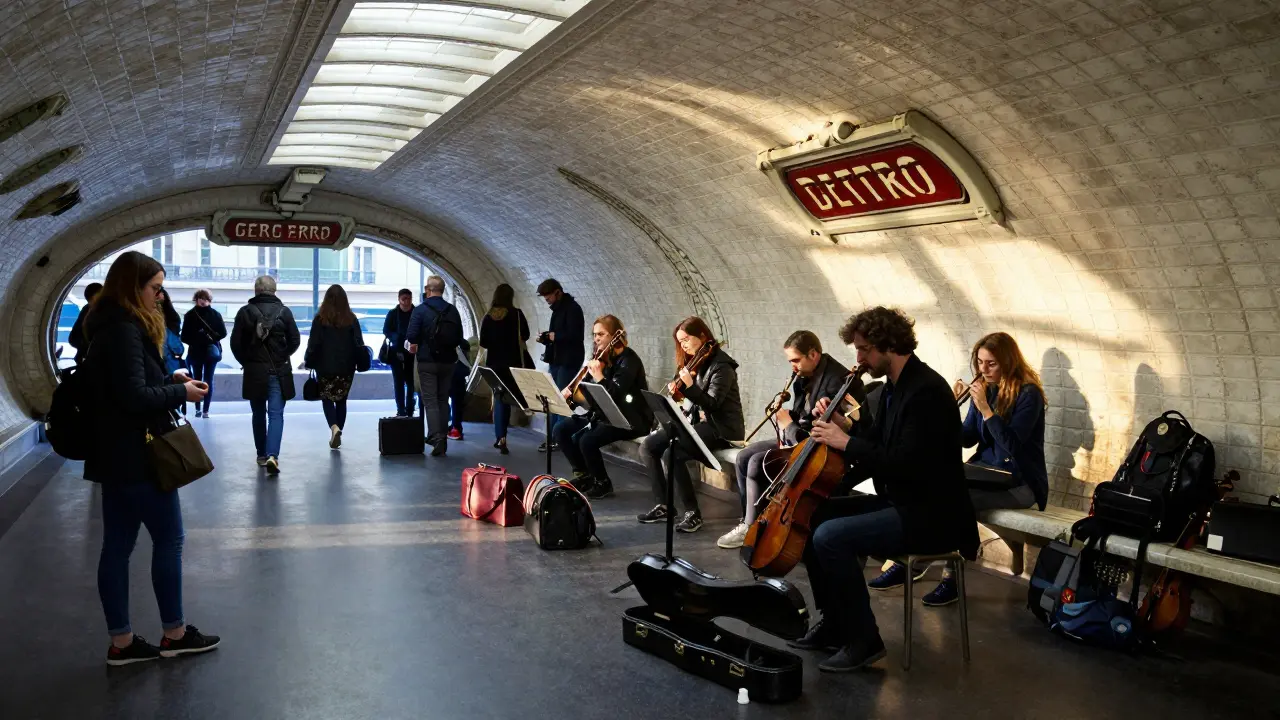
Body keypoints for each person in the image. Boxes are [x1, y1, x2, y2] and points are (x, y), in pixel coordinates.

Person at [789, 306, 977, 672]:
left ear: (888, 345)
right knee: (812, 515)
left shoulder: (926, 392)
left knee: (831, 537)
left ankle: (864, 640)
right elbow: (880, 443)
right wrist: (847, 425)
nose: (858, 359)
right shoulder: (895, 386)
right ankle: (835, 623)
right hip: (902, 502)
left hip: (931, 515)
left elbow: (904, 462)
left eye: (863, 349)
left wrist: (844, 442)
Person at [81, 250, 219, 666]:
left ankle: (121, 643)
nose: (160, 297)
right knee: (169, 540)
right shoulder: (125, 330)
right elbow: (133, 397)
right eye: (155, 288)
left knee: (117, 548)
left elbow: (129, 383)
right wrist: (182, 392)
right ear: (132, 287)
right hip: (139, 455)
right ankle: (174, 634)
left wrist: (169, 375)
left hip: (114, 454)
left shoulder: (107, 326)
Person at [870, 331, 1048, 606]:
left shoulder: (1029, 394)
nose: (983, 370)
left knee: (954, 500)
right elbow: (967, 438)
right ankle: (913, 560)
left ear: (1009, 363)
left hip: (1020, 483)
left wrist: (987, 411)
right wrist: (950, 411)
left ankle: (945, 576)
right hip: (985, 476)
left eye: (991, 364)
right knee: (932, 486)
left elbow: (1013, 446)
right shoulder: (985, 388)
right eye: (979, 362)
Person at [717, 330, 853, 549]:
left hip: (816, 448)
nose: (793, 366)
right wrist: (785, 418)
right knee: (744, 456)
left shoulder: (837, 381)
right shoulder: (805, 376)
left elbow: (811, 436)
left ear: (813, 354)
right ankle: (749, 522)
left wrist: (787, 425)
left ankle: (757, 526)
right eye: (790, 361)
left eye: (796, 360)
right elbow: (802, 416)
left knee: (755, 462)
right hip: (797, 436)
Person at [637, 316, 744, 533]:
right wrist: (678, 395)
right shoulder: (694, 363)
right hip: (700, 424)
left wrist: (688, 387)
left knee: (672, 453)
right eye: (680, 341)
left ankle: (692, 513)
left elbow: (712, 405)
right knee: (648, 446)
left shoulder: (722, 366)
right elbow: (691, 402)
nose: (684, 345)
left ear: (703, 336)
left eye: (687, 339)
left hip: (721, 428)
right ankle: (663, 505)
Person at [555, 315, 653, 500]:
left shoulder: (629, 360)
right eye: (594, 334)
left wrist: (599, 376)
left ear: (615, 336)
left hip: (631, 418)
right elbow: (589, 393)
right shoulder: (601, 357)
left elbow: (615, 394)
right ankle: (584, 475)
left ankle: (603, 483)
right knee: (561, 429)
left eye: (601, 334)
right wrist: (572, 393)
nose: (596, 338)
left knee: (587, 440)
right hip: (605, 414)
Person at [230, 275, 301, 475]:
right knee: (276, 414)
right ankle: (273, 456)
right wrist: (282, 355)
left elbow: (235, 344)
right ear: (274, 290)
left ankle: (261, 455)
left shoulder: (245, 312)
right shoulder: (284, 312)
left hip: (254, 372)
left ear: (256, 291)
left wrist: (247, 361)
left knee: (258, 414)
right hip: (278, 371)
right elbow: (295, 340)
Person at [406, 275, 464, 457]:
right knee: (442, 399)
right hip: (448, 362)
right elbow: (459, 336)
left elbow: (412, 336)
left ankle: (437, 437)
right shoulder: (452, 310)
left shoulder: (421, 310)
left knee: (430, 401)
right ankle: (443, 437)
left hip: (427, 361)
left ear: (427, 289)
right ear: (442, 289)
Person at [305, 285, 364, 450]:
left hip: (324, 367)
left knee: (327, 398)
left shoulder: (320, 320)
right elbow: (358, 343)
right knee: (342, 400)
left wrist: (309, 361)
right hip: (346, 367)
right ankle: (339, 430)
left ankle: (333, 427)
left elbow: (313, 344)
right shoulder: (352, 319)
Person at [478, 283, 532, 456]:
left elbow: (483, 342)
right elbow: (526, 335)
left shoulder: (488, 317)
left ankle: (501, 437)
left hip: (494, 365)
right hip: (513, 363)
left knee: (499, 397)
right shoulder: (517, 314)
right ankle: (523, 413)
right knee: (509, 398)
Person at [534, 278, 584, 451]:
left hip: (568, 360)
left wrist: (554, 336)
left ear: (558, 292)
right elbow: (559, 334)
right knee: (552, 398)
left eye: (548, 296)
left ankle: (560, 437)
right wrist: (546, 337)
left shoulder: (573, 309)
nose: (546, 299)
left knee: (562, 399)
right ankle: (553, 437)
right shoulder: (558, 309)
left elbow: (576, 336)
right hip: (556, 359)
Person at [181, 289, 227, 418]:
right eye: (201, 298)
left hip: (209, 352)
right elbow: (184, 336)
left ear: (209, 300)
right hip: (196, 351)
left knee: (207, 380)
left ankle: (205, 409)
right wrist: (198, 338)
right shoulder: (190, 315)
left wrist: (208, 338)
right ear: (196, 299)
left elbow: (223, 333)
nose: (203, 301)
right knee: (197, 379)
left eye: (206, 298)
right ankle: (198, 409)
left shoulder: (215, 314)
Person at [382, 288, 416, 417]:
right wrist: (395, 337)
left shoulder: (416, 312)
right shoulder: (393, 314)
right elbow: (386, 330)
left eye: (408, 299)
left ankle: (410, 408)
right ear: (399, 299)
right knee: (398, 382)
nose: (406, 302)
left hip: (412, 353)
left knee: (411, 382)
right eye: (404, 299)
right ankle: (400, 409)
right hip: (396, 352)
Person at [157, 290, 188, 415]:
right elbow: (178, 348)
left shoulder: (169, 318)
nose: (158, 295)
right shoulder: (171, 317)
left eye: (159, 292)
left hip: (167, 361)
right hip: (170, 362)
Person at [448, 335, 477, 440]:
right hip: (458, 371)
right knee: (457, 402)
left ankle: (442, 428)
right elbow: (465, 345)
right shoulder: (455, 329)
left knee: (441, 400)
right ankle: (456, 427)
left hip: (444, 369)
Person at [69, 282, 103, 364]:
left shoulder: (92, 310)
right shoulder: (88, 311)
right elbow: (73, 338)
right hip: (90, 360)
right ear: (94, 297)